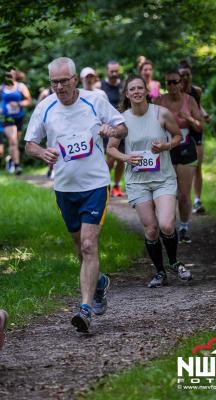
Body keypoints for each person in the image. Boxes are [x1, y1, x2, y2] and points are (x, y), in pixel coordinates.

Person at [25, 57, 127, 333]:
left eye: (63, 81)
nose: (59, 87)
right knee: (79, 247)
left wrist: (111, 130)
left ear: (74, 79)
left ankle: (85, 308)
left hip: (95, 184)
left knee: (88, 245)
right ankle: (100, 283)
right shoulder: (45, 107)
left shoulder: (96, 100)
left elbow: (122, 127)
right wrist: (41, 152)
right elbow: (29, 144)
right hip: (65, 188)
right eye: (54, 82)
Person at [107, 75, 192, 287]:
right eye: (132, 89)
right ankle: (160, 272)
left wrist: (165, 146)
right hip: (138, 181)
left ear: (146, 91)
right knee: (152, 229)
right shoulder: (122, 120)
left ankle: (174, 262)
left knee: (167, 224)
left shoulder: (161, 113)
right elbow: (111, 148)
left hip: (163, 177)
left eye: (139, 88)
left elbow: (177, 137)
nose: (136, 92)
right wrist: (126, 157)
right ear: (127, 94)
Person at [155, 70, 203, 243]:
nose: (172, 86)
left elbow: (200, 127)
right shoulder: (159, 101)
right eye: (168, 83)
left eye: (175, 82)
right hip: (165, 148)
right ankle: (168, 228)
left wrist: (188, 118)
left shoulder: (189, 101)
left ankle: (183, 227)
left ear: (181, 83)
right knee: (167, 193)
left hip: (185, 148)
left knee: (183, 194)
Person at [178, 60, 211, 214]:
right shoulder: (175, 91)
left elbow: (198, 105)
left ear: (191, 75)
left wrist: (204, 114)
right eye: (182, 75)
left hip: (196, 130)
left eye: (187, 74)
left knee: (197, 166)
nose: (185, 78)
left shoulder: (196, 90)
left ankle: (197, 200)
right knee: (181, 167)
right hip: (181, 131)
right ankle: (183, 196)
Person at [98, 60, 125, 197]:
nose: (114, 74)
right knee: (110, 157)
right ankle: (104, 184)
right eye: (111, 71)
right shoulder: (100, 86)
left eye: (116, 71)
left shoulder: (123, 86)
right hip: (107, 128)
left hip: (122, 127)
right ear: (106, 71)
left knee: (121, 158)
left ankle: (116, 185)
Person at [1, 69, 32, 175]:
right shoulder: (2, 87)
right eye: (7, 74)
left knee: (14, 142)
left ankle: (10, 159)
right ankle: (17, 166)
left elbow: (29, 101)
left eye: (11, 74)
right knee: (13, 141)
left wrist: (19, 104)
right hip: (7, 118)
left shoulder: (21, 86)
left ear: (15, 75)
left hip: (18, 117)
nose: (9, 76)